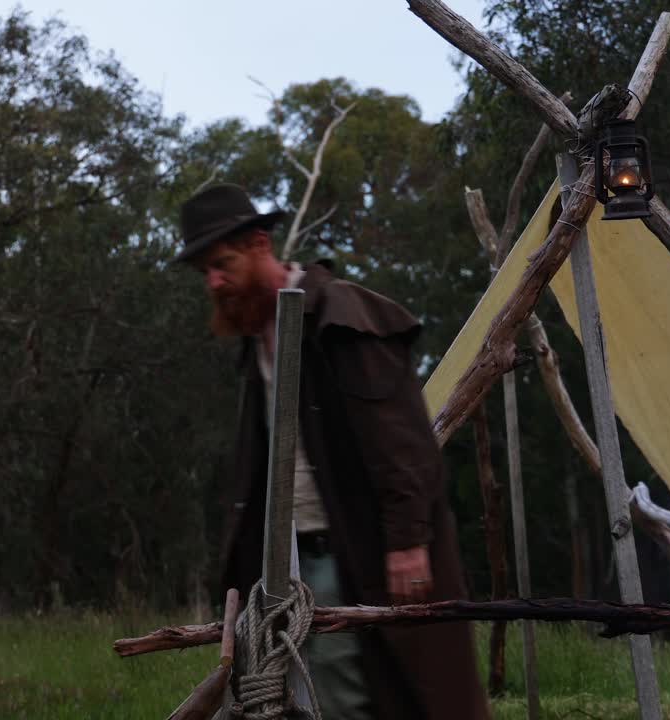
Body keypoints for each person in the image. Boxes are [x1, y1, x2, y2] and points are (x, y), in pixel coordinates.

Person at [176, 183, 490, 720]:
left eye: (221, 263)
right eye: (204, 271)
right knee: (309, 696)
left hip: (360, 554)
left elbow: (403, 442)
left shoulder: (340, 315)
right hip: (294, 563)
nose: (214, 281)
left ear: (259, 244)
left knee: (368, 697)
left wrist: (409, 540)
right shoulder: (259, 341)